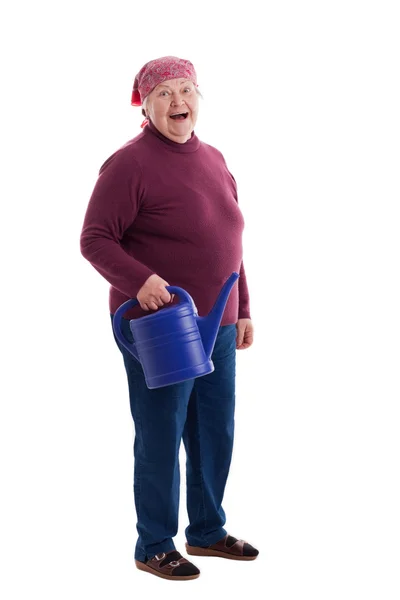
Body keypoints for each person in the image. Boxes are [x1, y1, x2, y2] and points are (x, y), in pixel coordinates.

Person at [80, 55, 258, 581]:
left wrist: (242, 308)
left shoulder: (216, 158)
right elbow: (95, 239)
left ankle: (206, 532)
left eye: (187, 90)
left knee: (213, 431)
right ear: (147, 103)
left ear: (199, 96)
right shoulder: (129, 164)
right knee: (161, 432)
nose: (178, 102)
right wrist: (140, 280)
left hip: (219, 324)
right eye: (165, 93)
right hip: (164, 326)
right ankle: (154, 544)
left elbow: (232, 242)